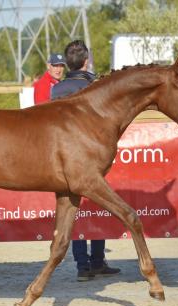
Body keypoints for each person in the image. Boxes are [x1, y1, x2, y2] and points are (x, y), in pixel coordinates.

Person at [51, 40, 121, 282]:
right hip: (90, 156)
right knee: (96, 207)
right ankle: (98, 260)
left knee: (74, 212)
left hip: (64, 161)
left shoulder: (56, 90)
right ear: (86, 61)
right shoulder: (95, 85)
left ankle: (82, 265)